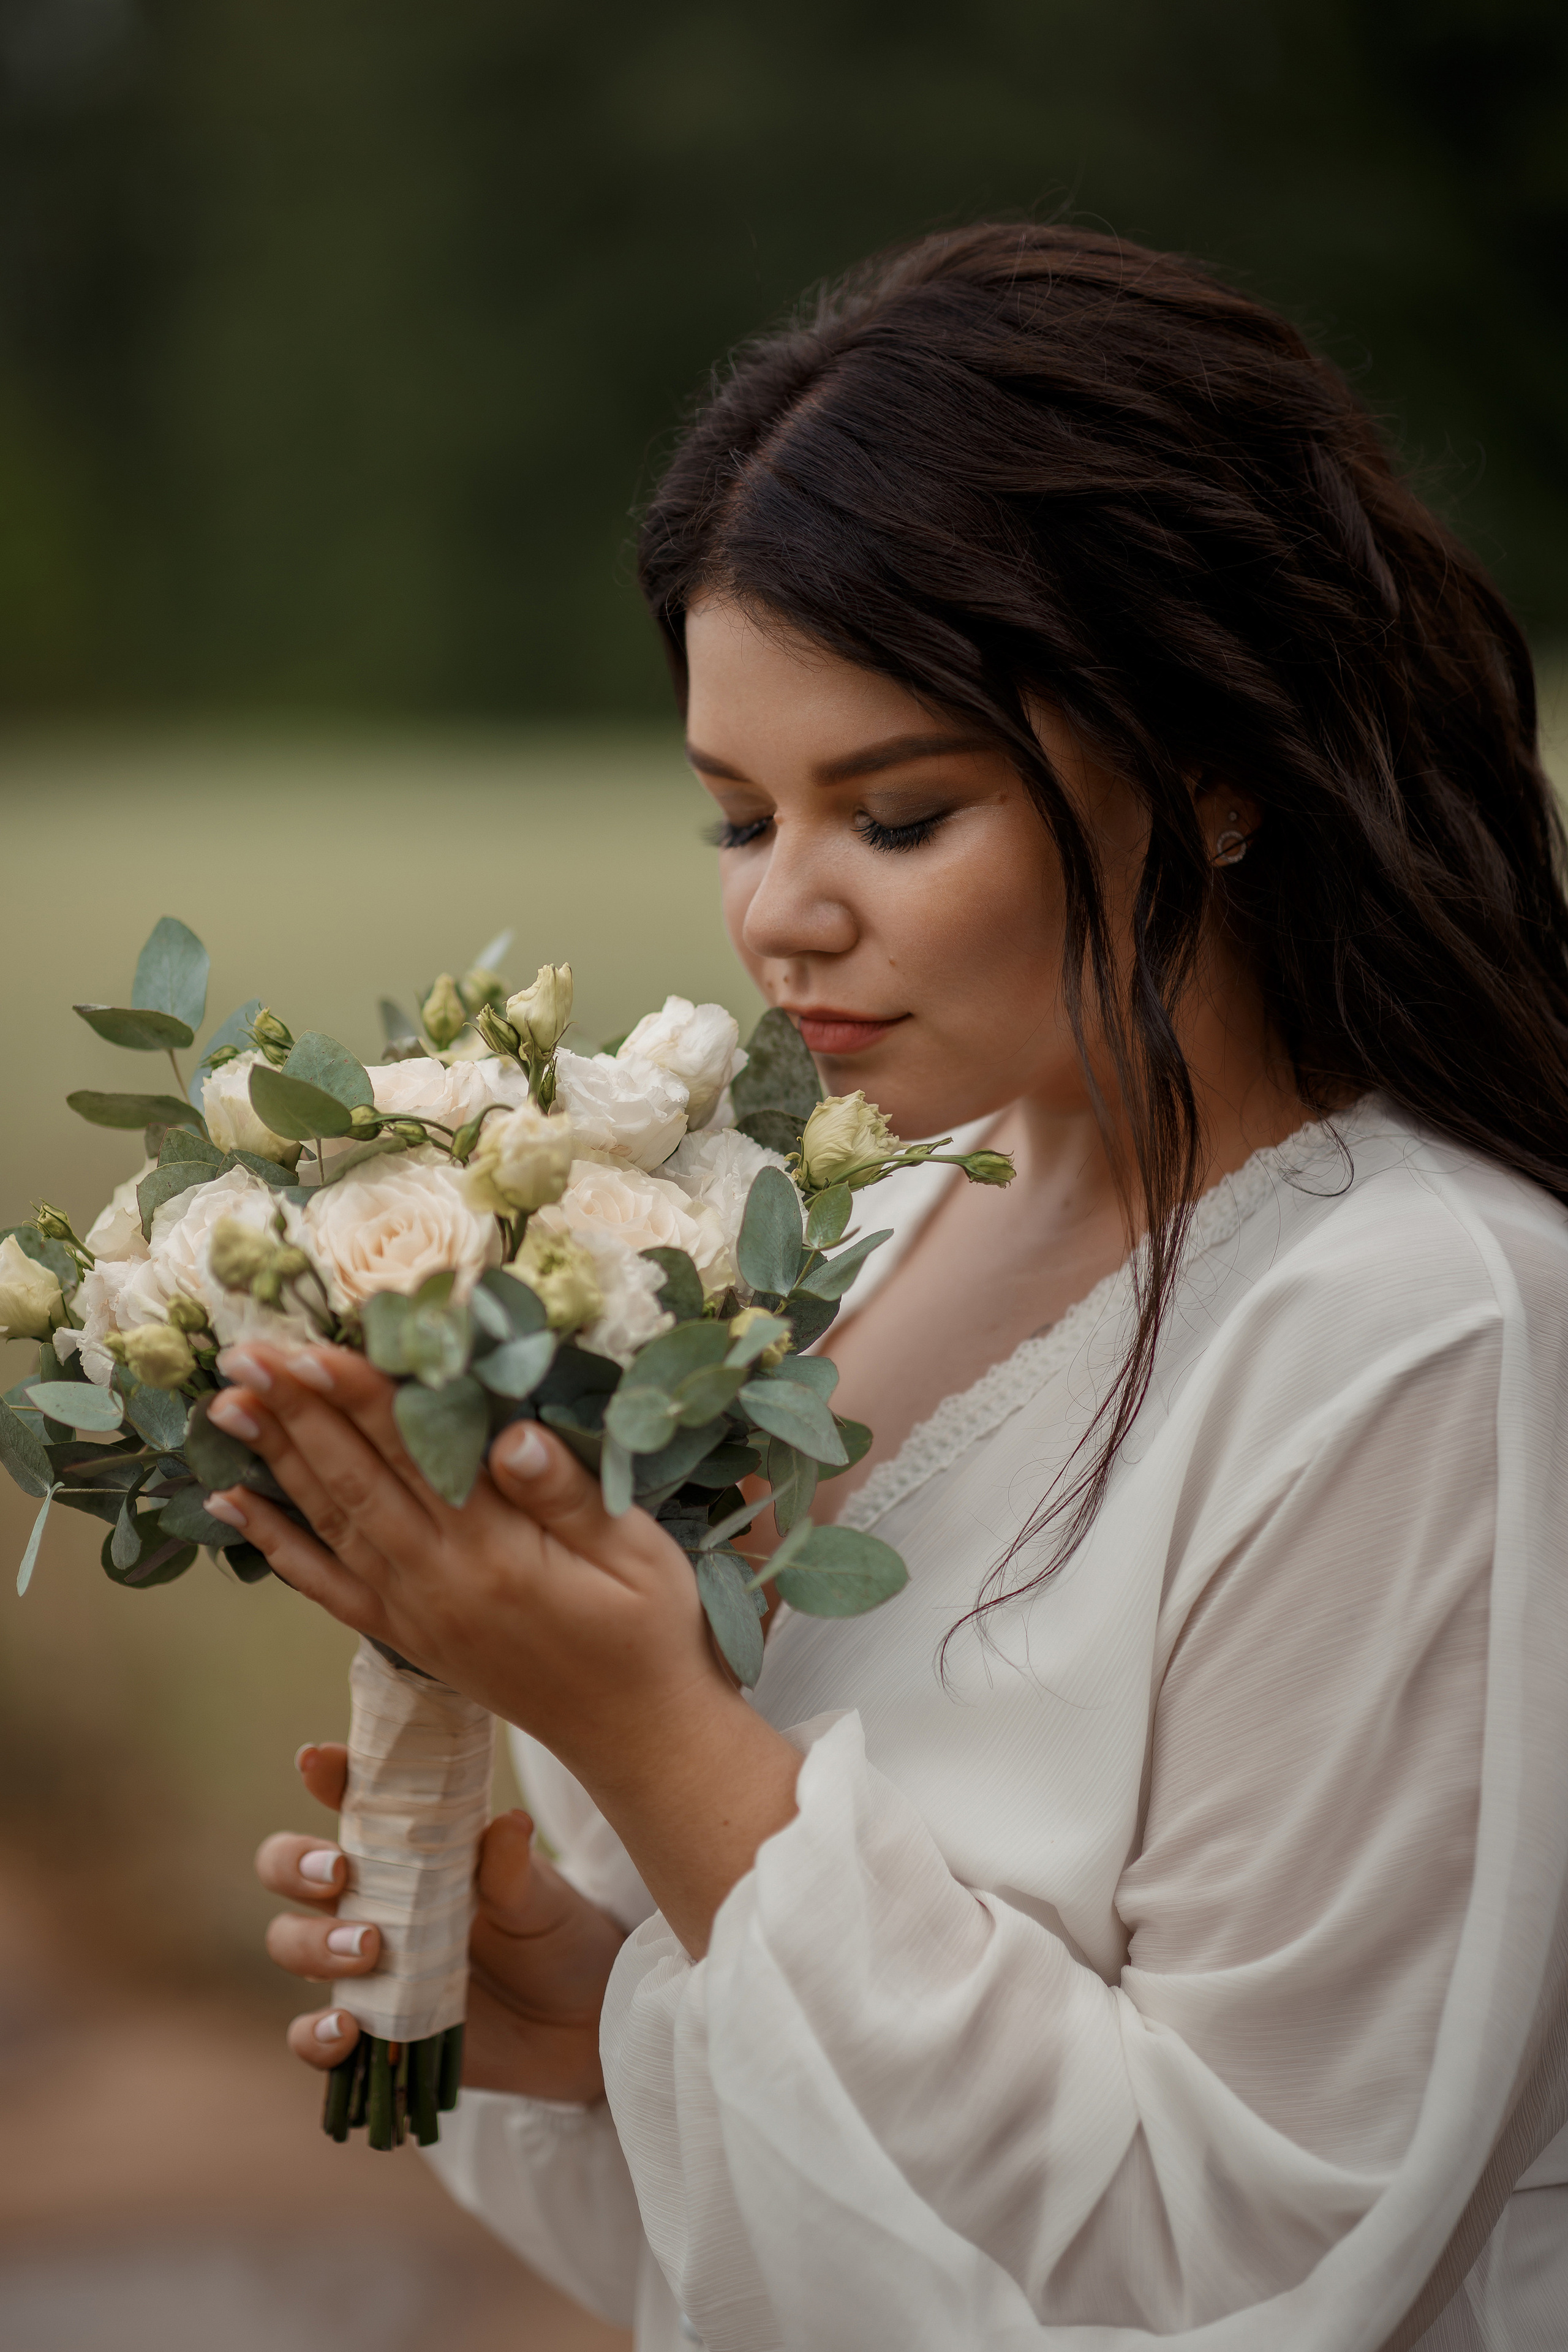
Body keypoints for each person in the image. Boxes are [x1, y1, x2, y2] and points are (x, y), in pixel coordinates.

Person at [230, 227, 1568, 2349]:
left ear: (1214, 767)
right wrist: (612, 2009)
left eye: (900, 813)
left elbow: (1253, 2265)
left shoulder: (1431, 1331)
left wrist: (650, 1732)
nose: (782, 913)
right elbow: (818, 2216)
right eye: (736, 820)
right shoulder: (834, 1239)